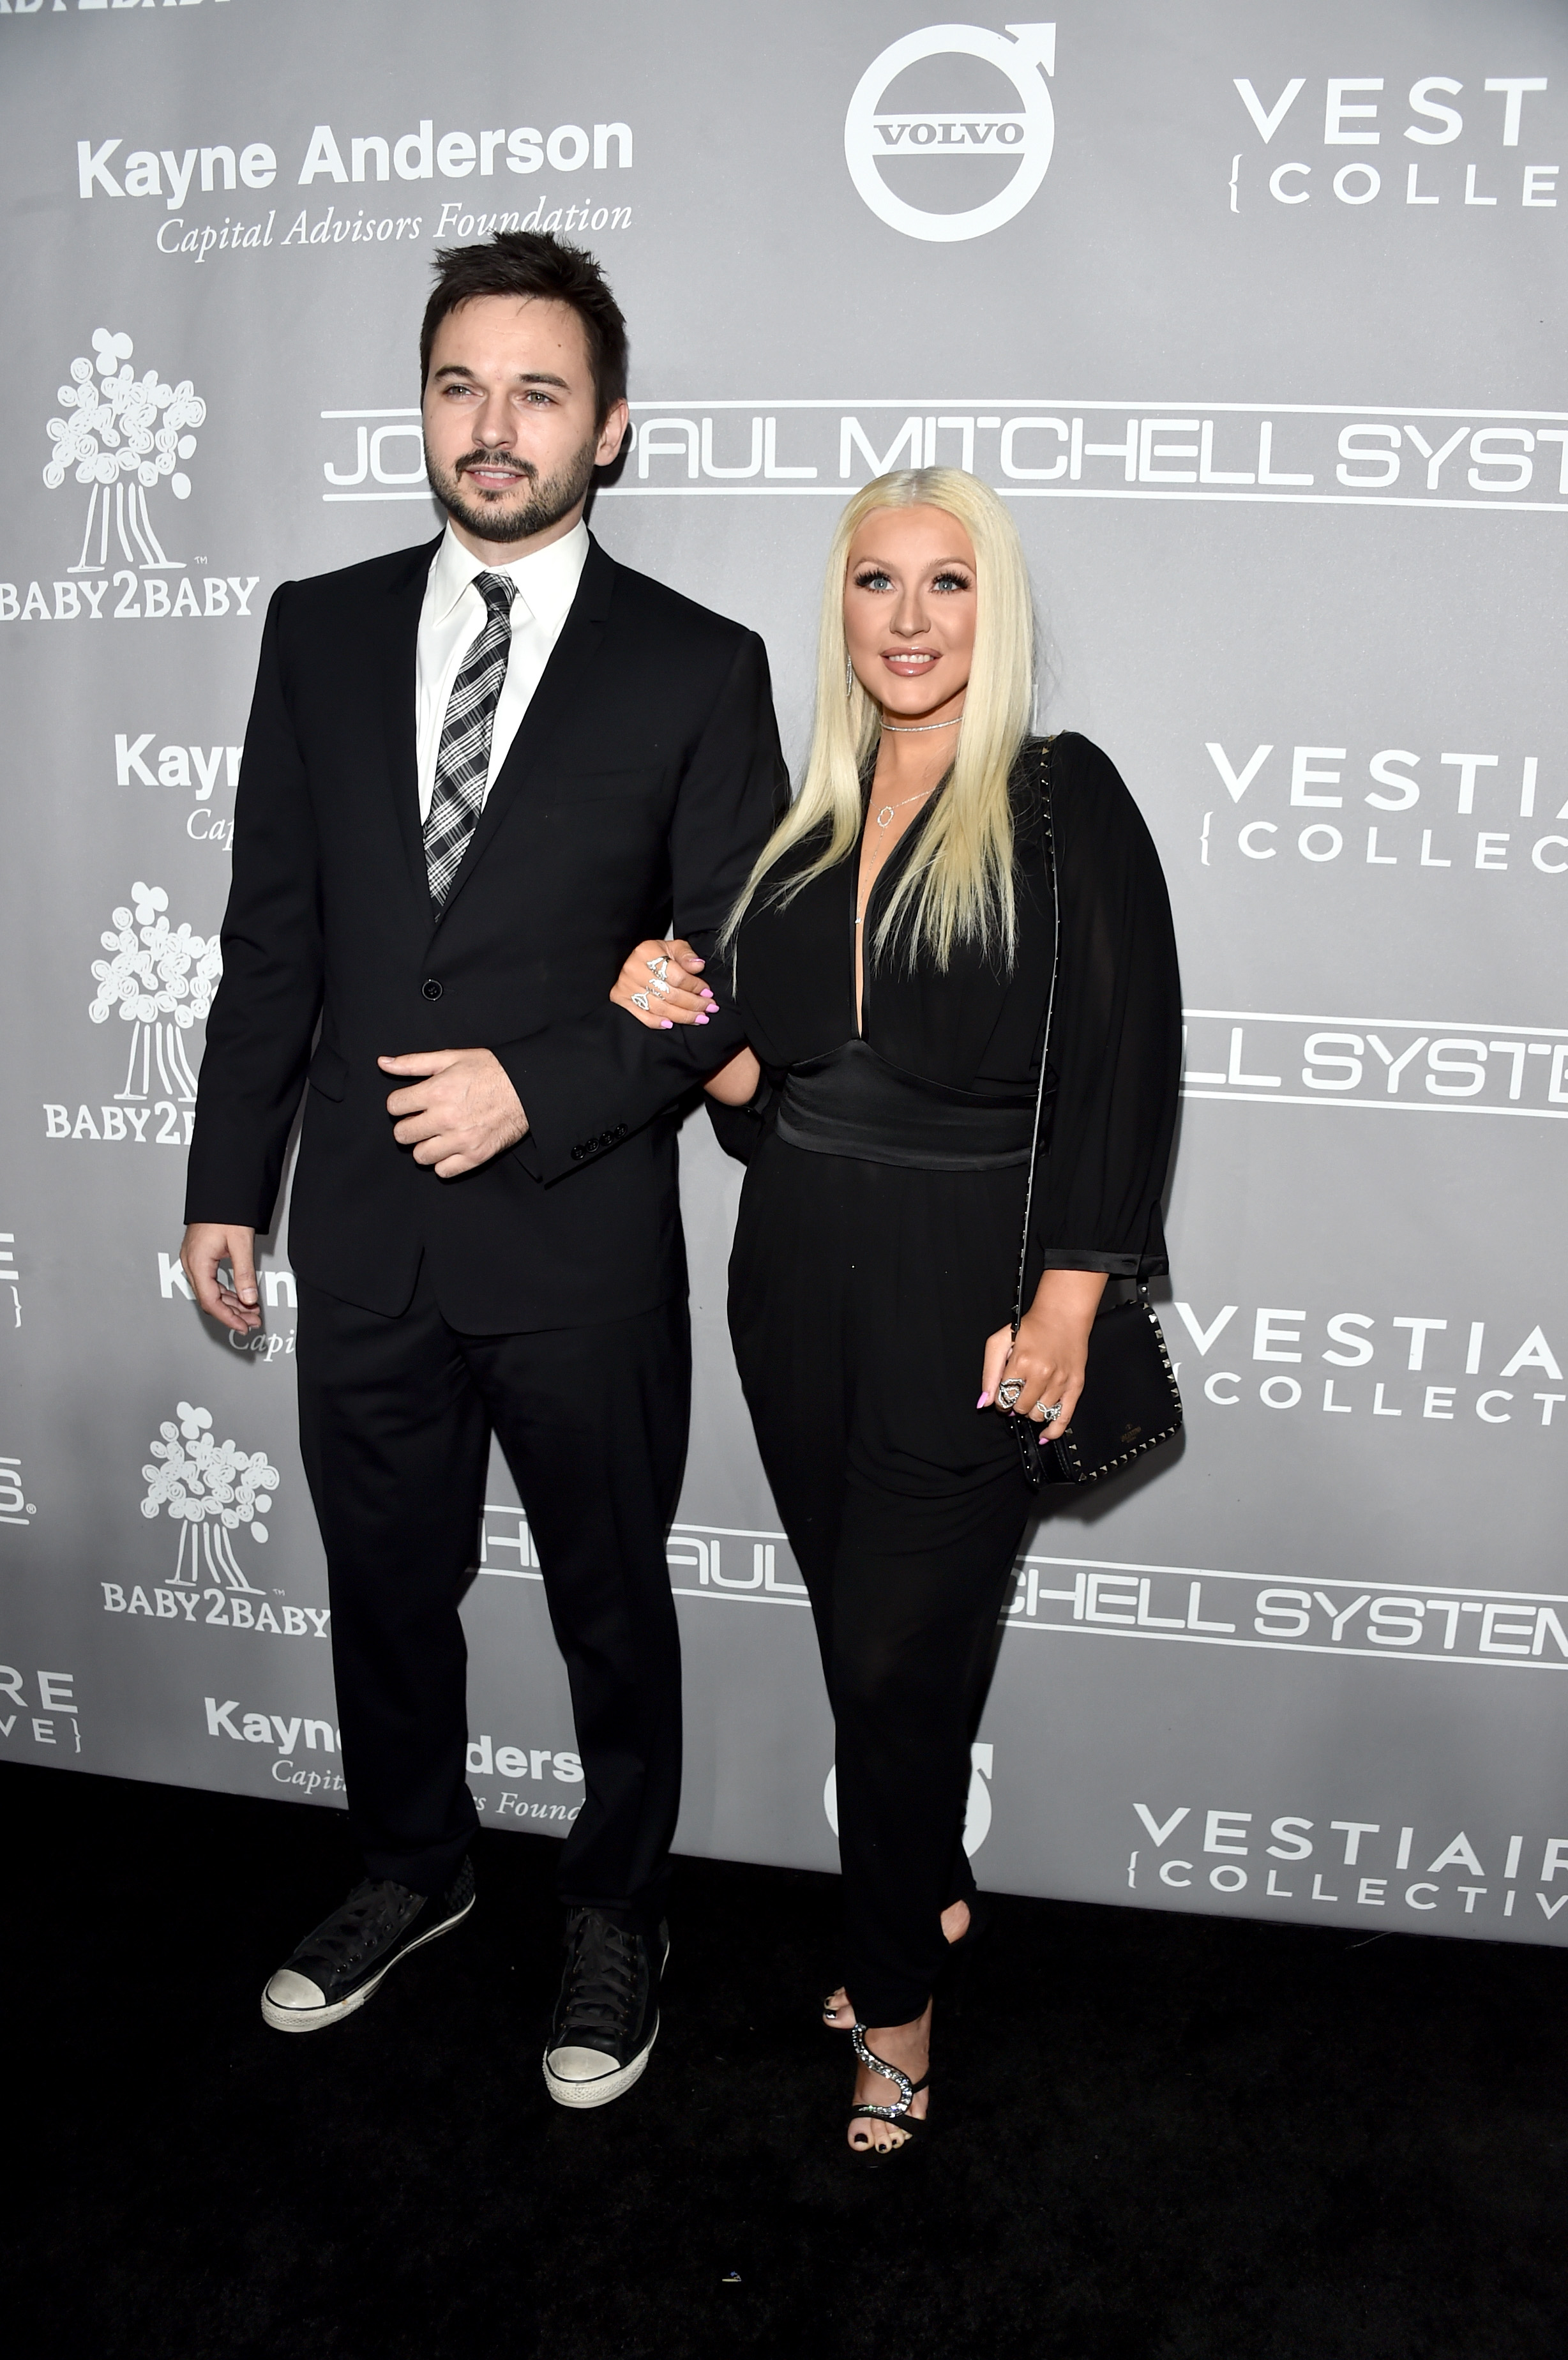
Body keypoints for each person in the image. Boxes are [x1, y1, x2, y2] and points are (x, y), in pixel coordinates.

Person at [179, 231, 785, 2108]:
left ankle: (618, 1910)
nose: (494, 425)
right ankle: (411, 1867)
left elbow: (739, 969)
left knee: (609, 1603)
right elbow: (272, 935)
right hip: (367, 1236)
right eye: (461, 386)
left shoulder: (699, 666)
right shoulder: (318, 628)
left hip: (577, 1238)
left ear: (611, 428)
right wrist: (225, 1182)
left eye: (538, 391)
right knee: (383, 1586)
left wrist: (539, 1086)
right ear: (425, 409)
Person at [611, 469, 1180, 2152]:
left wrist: (1065, 1304)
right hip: (792, 1277)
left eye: (948, 582)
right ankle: (920, 1886)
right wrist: (671, 1010)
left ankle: (899, 2008)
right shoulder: (804, 827)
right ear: (841, 610)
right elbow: (755, 1094)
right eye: (877, 582)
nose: (911, 618)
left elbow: (1123, 1066)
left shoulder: (1063, 799)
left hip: (974, 1291)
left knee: (888, 1657)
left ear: (993, 610)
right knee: (866, 1644)